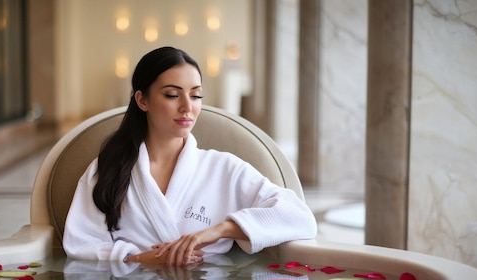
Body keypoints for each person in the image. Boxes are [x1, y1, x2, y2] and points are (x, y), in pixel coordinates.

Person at [63, 46, 316, 267]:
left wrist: (217, 231)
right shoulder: (107, 170)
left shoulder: (223, 169)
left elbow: (299, 216)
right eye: (172, 95)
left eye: (195, 95)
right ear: (142, 100)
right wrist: (138, 260)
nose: (187, 106)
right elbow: (80, 245)